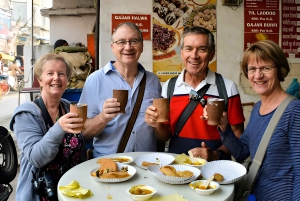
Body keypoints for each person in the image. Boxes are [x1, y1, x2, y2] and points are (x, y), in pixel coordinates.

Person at [203, 40, 300, 200]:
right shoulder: (258, 108)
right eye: (252, 69)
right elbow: (242, 152)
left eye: (266, 68)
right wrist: (224, 127)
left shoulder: (294, 110)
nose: (258, 75)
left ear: (279, 70)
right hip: (256, 195)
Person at [145, 26, 245, 161]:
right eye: (189, 49)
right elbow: (165, 136)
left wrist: (215, 155)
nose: (194, 55)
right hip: (177, 168)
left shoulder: (227, 88)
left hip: (215, 171)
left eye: (202, 49)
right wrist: (157, 125)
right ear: (181, 53)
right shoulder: (169, 87)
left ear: (212, 54)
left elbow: (237, 134)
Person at [10, 54, 87, 201]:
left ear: (67, 80)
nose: (56, 78)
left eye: (61, 74)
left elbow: (79, 148)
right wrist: (59, 127)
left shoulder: (68, 107)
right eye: (50, 73)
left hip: (71, 192)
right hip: (41, 194)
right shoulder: (26, 114)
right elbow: (36, 158)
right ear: (40, 79)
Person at [79, 22, 162, 157]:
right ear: (113, 47)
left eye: (134, 41)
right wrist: (103, 118)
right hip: (109, 164)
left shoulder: (153, 81)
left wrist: (157, 123)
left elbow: (161, 132)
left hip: (147, 163)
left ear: (141, 46)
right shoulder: (95, 80)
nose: (128, 47)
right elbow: (83, 134)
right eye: (121, 42)